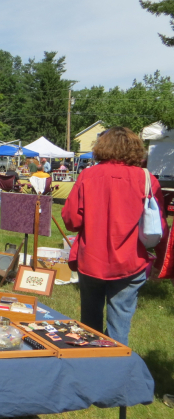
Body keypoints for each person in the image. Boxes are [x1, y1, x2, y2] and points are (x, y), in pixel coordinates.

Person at [61, 127, 168, 346]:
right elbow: (159, 226)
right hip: (130, 262)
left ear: (102, 147)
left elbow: (72, 221)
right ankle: (116, 371)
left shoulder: (87, 175)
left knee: (89, 324)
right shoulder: (147, 179)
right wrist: (161, 260)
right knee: (120, 326)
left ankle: (89, 367)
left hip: (91, 259)